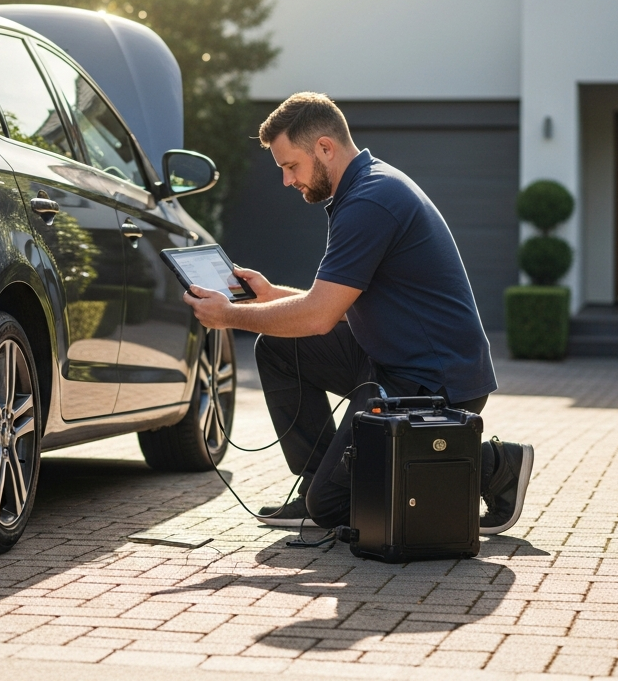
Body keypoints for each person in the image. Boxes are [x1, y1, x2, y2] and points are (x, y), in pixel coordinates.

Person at [181, 92, 533, 536]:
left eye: (291, 166)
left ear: (325, 148)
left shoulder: (370, 200)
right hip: (389, 363)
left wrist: (228, 316)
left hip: (433, 382)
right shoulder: (363, 189)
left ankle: (492, 465)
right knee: (277, 349)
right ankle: (318, 476)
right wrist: (269, 296)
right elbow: (333, 306)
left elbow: (317, 317)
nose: (287, 181)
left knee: (331, 507)